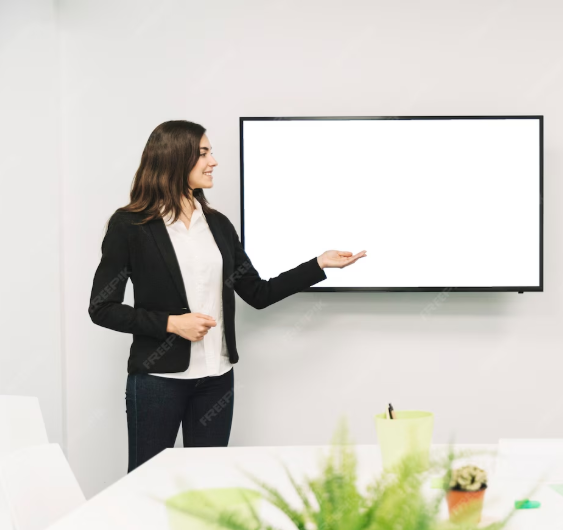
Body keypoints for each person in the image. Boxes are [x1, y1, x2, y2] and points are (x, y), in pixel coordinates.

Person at [88, 120, 366, 471]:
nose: (213, 161)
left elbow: (258, 292)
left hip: (216, 380)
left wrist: (318, 265)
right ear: (175, 158)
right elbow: (102, 308)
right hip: (158, 381)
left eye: (210, 152)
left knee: (209, 483)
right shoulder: (130, 226)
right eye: (203, 153)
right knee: (146, 484)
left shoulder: (218, 225)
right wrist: (171, 324)